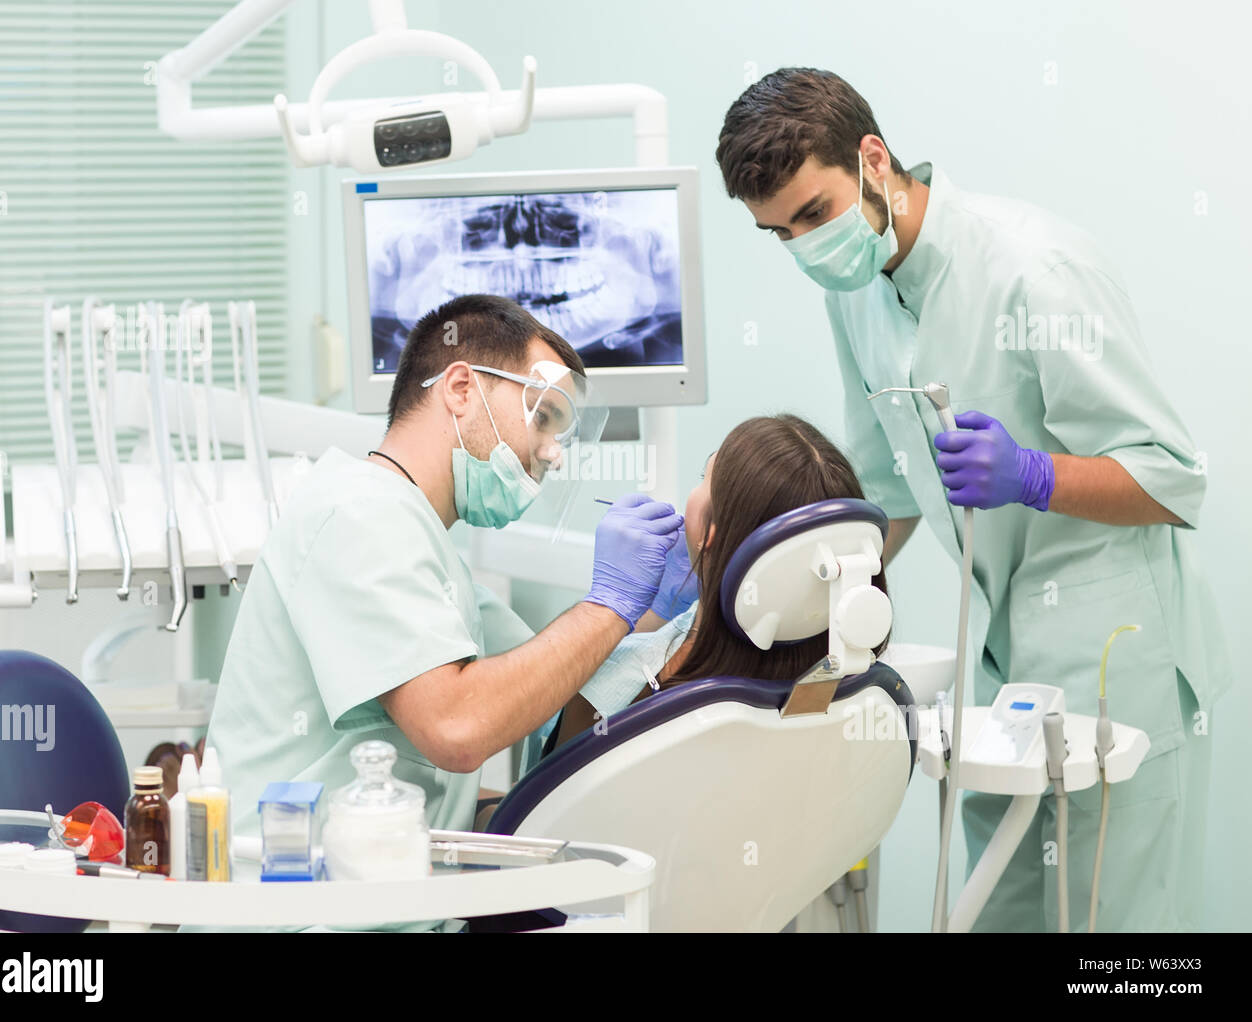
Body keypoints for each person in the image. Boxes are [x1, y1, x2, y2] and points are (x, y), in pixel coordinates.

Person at [714, 68, 1228, 932]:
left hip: (1118, 669)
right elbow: (884, 493)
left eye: (813, 214)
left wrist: (1034, 474)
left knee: (1114, 944)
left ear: (873, 160)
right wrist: (800, 606)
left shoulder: (1036, 270)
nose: (804, 246)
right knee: (1002, 914)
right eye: (778, 234)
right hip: (1007, 670)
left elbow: (1174, 479)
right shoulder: (859, 292)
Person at [203, 294, 687, 900]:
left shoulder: (422, 546)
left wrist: (662, 608)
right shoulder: (359, 515)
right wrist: (608, 603)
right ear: (460, 388)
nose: (553, 452)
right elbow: (457, 725)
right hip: (301, 913)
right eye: (542, 417)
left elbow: (554, 684)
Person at [513, 414, 888, 773]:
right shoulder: (856, 690)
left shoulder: (611, 691)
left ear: (707, 534)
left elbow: (536, 814)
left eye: (702, 478)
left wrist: (608, 608)